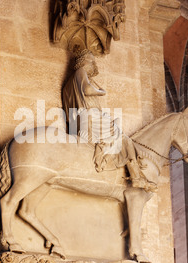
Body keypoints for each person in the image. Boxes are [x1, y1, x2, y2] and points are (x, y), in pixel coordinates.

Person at [62, 49, 151, 190]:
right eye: (92, 61)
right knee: (124, 139)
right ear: (84, 61)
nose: (94, 64)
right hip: (90, 116)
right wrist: (101, 91)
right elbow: (87, 90)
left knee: (117, 129)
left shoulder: (69, 83)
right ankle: (136, 177)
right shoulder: (80, 72)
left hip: (81, 119)